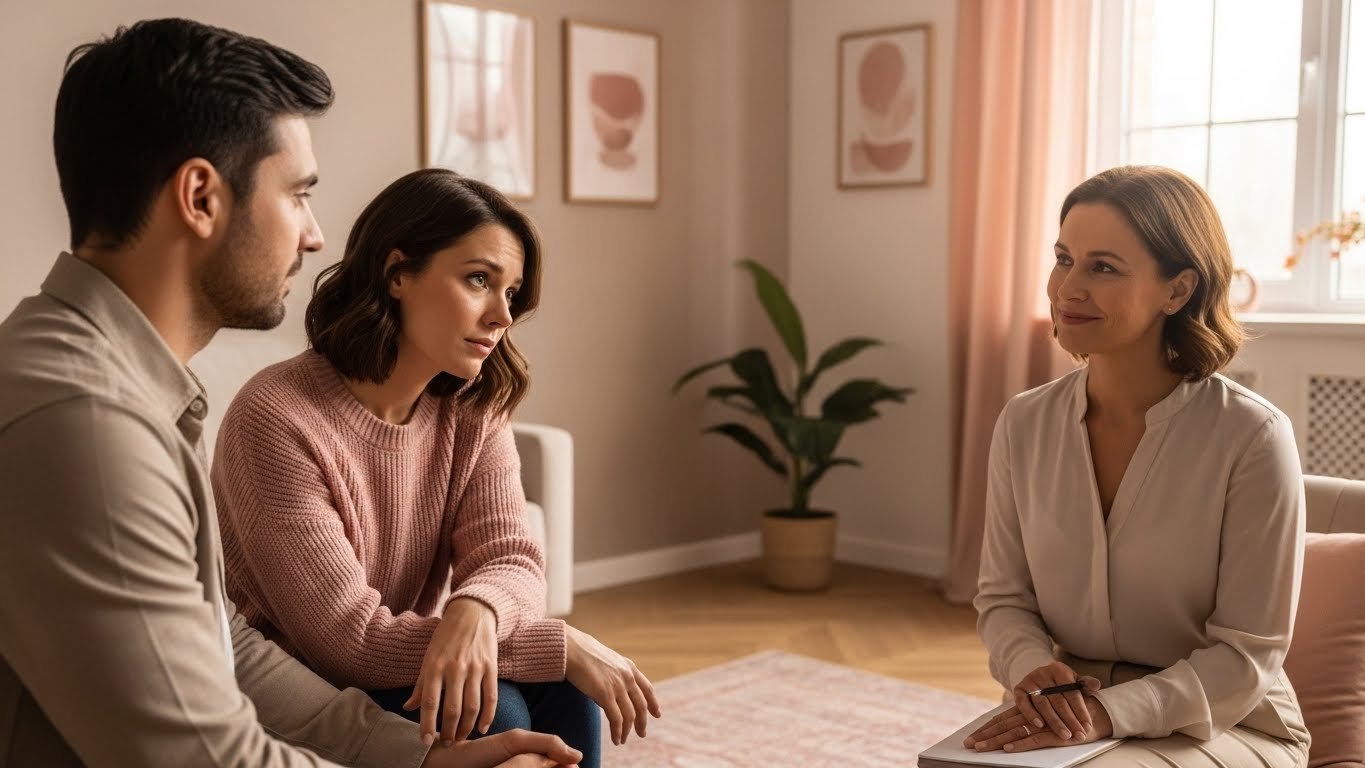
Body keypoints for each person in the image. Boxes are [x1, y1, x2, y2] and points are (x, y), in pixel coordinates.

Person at [0, 18, 580, 768]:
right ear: (200, 196)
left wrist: (416, 758)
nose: (313, 235)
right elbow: (203, 757)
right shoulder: (84, 420)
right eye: (299, 193)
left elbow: (226, 648)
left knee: (545, 705)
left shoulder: (124, 388)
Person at [210, 167, 661, 768]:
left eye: (511, 293)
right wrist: (561, 644)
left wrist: (477, 610)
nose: (502, 315)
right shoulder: (276, 416)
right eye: (479, 280)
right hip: (302, 691)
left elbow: (512, 557)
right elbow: (349, 642)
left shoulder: (473, 406)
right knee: (496, 713)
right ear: (397, 273)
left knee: (565, 696)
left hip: (403, 660)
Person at [966, 166, 1311, 766]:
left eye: (1103, 267)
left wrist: (1108, 713)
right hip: (1067, 710)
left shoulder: (1253, 437)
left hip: (1224, 719)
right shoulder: (1024, 423)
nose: (1068, 288)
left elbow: (1246, 658)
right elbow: (1003, 599)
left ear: (1177, 291)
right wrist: (1031, 669)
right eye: (1063, 259)